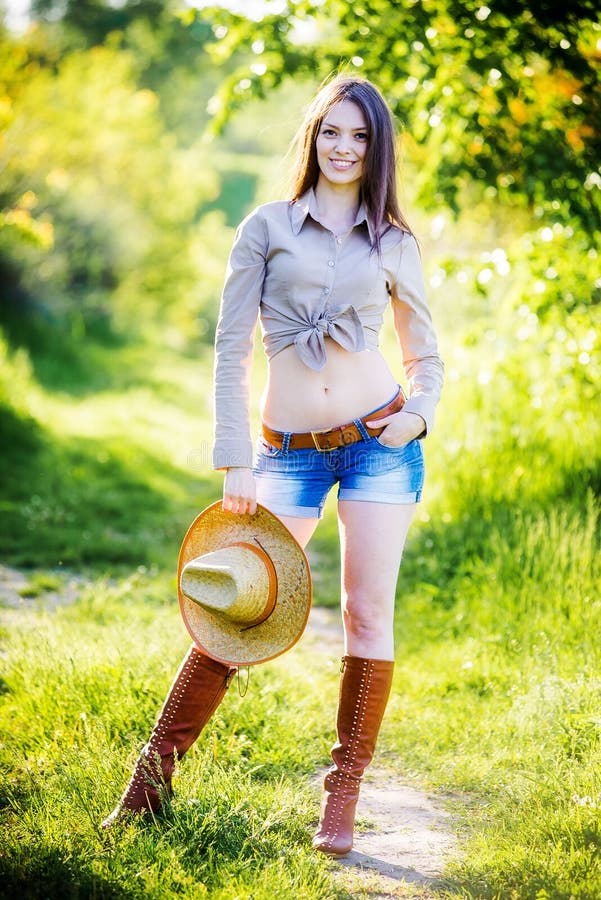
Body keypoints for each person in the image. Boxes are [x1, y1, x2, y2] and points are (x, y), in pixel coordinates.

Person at [103, 75, 443, 857]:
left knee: (366, 616)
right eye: (332, 132)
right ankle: (149, 784)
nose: (344, 148)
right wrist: (236, 461)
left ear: (375, 147)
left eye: (360, 136)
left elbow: (426, 355)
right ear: (312, 136)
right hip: (282, 455)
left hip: (377, 446)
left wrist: (415, 419)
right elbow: (229, 353)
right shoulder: (265, 227)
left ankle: (343, 792)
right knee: (234, 609)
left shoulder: (392, 240)